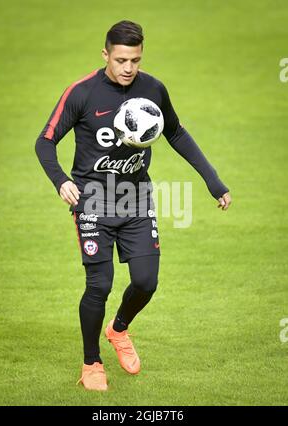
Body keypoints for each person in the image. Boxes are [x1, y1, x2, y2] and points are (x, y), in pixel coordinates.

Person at [35, 20, 231, 392]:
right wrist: (61, 181)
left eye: (135, 60)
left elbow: (175, 131)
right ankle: (91, 362)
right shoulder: (82, 93)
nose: (128, 68)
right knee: (100, 284)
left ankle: (119, 329)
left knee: (146, 281)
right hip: (92, 199)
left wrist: (213, 180)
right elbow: (44, 143)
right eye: (122, 59)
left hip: (136, 200)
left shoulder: (152, 89)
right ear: (105, 54)